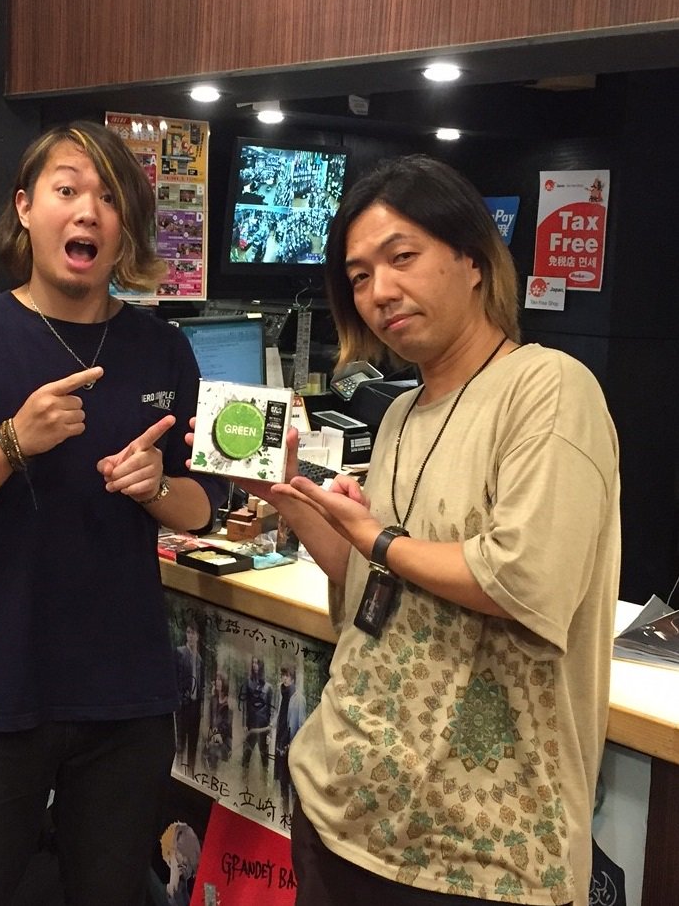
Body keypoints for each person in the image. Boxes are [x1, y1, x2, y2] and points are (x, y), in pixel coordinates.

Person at [247, 155, 620, 906]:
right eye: (358, 276)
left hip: (480, 854)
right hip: (341, 812)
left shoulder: (547, 386)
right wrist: (286, 495)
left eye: (402, 257)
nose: (379, 291)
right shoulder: (398, 413)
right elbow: (370, 583)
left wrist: (377, 538)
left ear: (473, 260)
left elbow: (523, 580)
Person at [0, 121, 225, 906]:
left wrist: (155, 486)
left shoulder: (164, 350)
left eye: (109, 196)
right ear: (25, 208)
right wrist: (11, 441)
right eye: (67, 189)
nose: (87, 211)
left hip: (125, 698)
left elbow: (203, 503)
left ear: (126, 226)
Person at [273, 665, 305, 818]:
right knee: (282, 781)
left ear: (292, 678)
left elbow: (301, 726)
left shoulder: (298, 698)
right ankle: (284, 814)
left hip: (291, 745)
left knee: (292, 783)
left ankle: (293, 817)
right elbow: (279, 717)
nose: (284, 678)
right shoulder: (282, 694)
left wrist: (292, 744)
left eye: (287, 675)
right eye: (283, 675)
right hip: (280, 742)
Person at [174, 621, 204, 775]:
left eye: (193, 633)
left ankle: (190, 775)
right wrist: (178, 700)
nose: (191, 636)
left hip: (195, 707)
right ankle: (177, 772)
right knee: (180, 743)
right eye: (188, 632)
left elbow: (200, 684)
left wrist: (200, 707)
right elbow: (173, 679)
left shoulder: (199, 660)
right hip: (182, 706)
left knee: (193, 743)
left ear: (197, 636)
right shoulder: (179, 653)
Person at [239, 655, 273, 783]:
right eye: (253, 663)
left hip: (263, 727)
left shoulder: (268, 687)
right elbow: (244, 704)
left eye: (257, 663)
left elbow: (270, 710)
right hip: (251, 726)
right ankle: (244, 782)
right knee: (246, 755)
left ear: (261, 665)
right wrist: (244, 723)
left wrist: (269, 732)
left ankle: (264, 783)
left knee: (264, 757)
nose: (254, 665)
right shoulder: (248, 682)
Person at [204, 671, 232, 771]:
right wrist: (213, 733)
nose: (217, 682)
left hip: (224, 739)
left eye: (220, 680)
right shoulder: (213, 700)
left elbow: (227, 725)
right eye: (216, 679)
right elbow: (211, 720)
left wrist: (218, 734)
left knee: (213, 749)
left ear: (224, 683)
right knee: (207, 751)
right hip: (213, 736)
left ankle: (213, 771)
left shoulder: (229, 703)